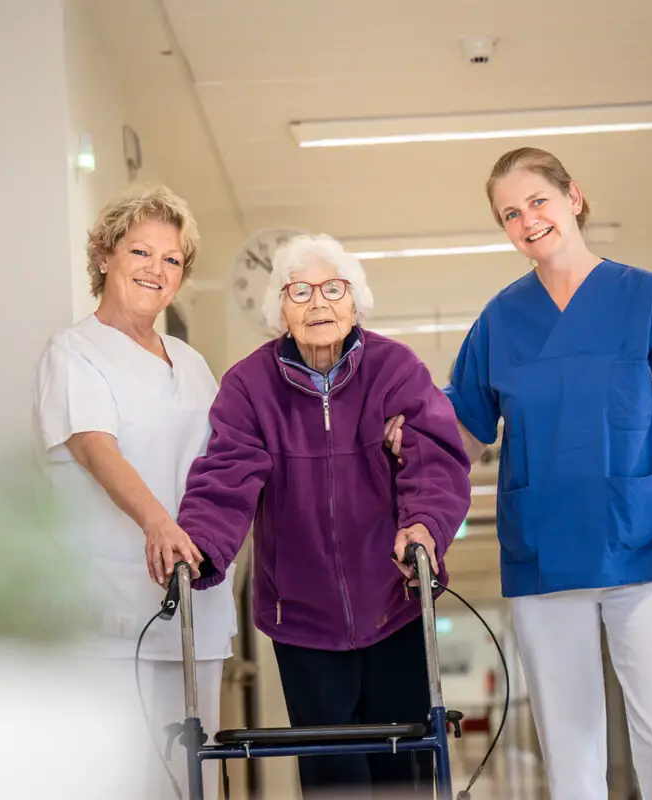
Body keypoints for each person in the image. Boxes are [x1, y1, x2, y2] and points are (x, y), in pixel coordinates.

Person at [392, 147, 652, 800]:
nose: (527, 220)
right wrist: (412, 434)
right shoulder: (499, 322)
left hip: (645, 555)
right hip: (543, 560)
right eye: (510, 213)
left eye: (537, 201)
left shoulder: (650, 298)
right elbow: (465, 438)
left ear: (574, 197)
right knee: (570, 756)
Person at [150, 233, 472, 798]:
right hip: (300, 616)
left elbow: (434, 457)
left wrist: (423, 525)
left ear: (355, 304)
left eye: (332, 289)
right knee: (333, 779)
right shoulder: (250, 386)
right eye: (299, 291)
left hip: (393, 600)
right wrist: (199, 542)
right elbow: (226, 472)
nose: (317, 303)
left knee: (406, 769)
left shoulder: (395, 368)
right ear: (280, 310)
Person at [31, 184, 235, 800]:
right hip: (109, 611)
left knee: (191, 782)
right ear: (103, 256)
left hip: (198, 606)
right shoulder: (73, 351)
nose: (155, 270)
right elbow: (97, 447)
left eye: (171, 260)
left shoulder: (192, 362)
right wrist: (157, 521)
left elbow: (227, 462)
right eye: (140, 252)